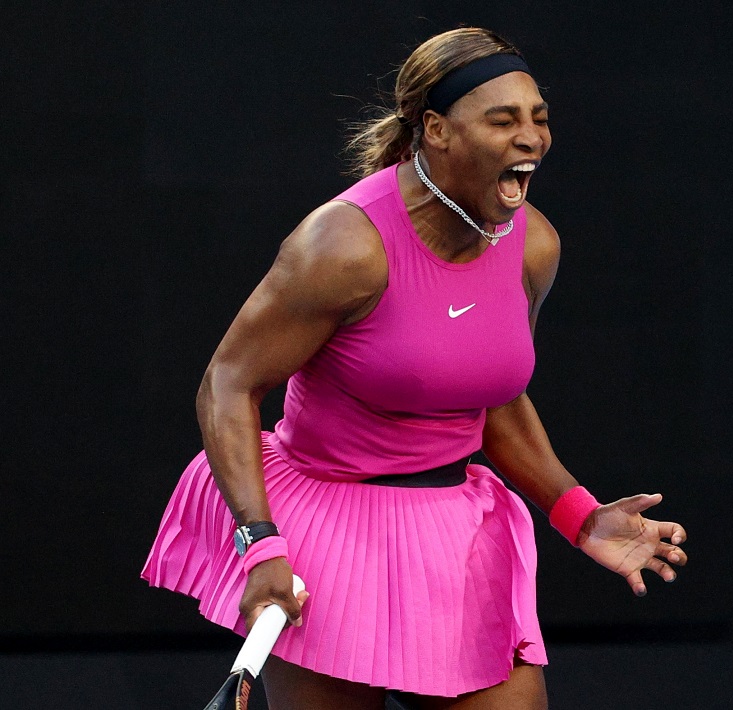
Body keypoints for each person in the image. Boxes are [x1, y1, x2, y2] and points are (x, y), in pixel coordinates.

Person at [142, 27, 687, 710]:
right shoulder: (342, 247)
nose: (532, 138)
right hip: (323, 534)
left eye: (539, 118)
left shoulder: (534, 246)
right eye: (503, 120)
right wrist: (259, 542)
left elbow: (490, 397)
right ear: (436, 130)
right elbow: (227, 384)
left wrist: (578, 513)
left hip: (451, 538)